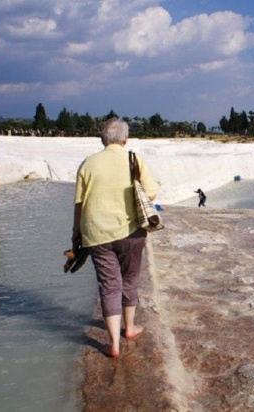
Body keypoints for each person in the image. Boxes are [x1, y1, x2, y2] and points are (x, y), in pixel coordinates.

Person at [72, 118, 159, 358]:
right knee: (129, 279)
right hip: (131, 231)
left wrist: (75, 233)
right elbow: (150, 193)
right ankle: (129, 328)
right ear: (125, 139)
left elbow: (79, 203)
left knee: (109, 285)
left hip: (96, 233)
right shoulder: (134, 159)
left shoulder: (88, 163)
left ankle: (113, 345)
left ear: (102, 140)